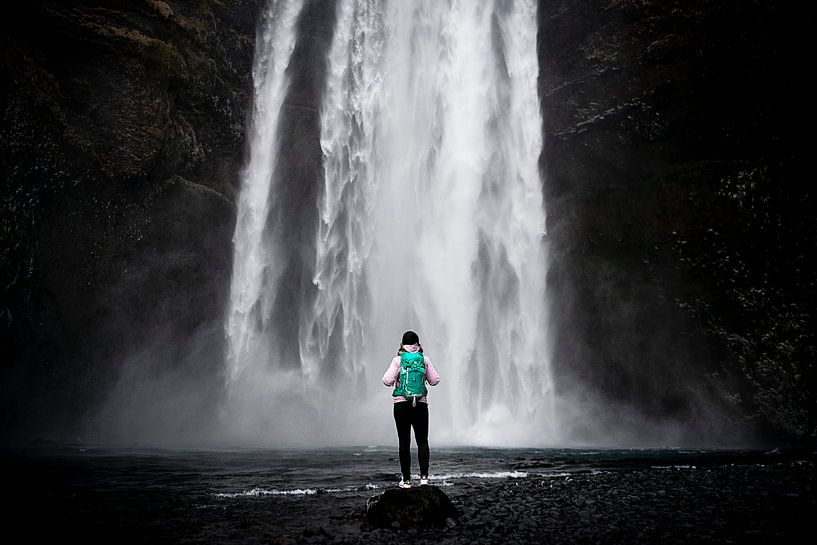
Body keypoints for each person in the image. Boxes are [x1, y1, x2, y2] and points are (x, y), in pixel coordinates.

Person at [382, 330, 440, 488]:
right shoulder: (424, 359)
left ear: (402, 345)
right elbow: (435, 380)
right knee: (422, 441)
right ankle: (424, 478)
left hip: (401, 405)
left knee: (404, 441)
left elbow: (387, 381)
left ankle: (406, 480)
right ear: (418, 344)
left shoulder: (398, 360)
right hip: (421, 404)